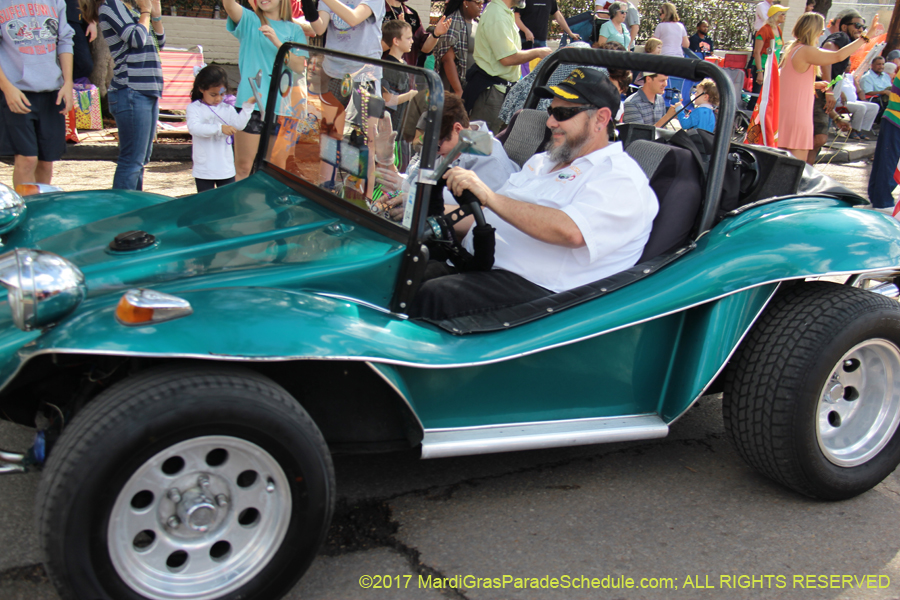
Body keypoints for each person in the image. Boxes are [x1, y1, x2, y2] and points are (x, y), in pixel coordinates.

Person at [408, 68, 658, 320]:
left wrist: (489, 196)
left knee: (433, 295)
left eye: (562, 113)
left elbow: (571, 231)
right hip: (478, 265)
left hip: (544, 296)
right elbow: (486, 215)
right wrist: (417, 212)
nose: (550, 122)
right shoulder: (543, 162)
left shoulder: (620, 178)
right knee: (399, 266)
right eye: (551, 111)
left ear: (601, 119)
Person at [82, 0, 165, 190]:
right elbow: (136, 39)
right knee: (132, 161)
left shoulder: (131, 9)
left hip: (147, 90)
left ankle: (134, 209)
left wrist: (156, 15)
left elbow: (158, 43)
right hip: (131, 90)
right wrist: (145, 11)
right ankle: (122, 213)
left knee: (140, 160)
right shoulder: (111, 6)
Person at [0, 0, 74, 188]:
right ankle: (26, 212)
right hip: (18, 91)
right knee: (27, 159)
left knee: (46, 160)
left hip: (51, 91)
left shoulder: (56, 1)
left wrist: (68, 83)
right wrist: (7, 88)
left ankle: (40, 212)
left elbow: (65, 39)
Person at [778, 12, 866, 161]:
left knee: (782, 163)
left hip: (789, 113)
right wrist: (865, 38)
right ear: (813, 30)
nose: (823, 33)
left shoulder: (793, 49)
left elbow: (787, 81)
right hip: (798, 114)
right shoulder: (805, 50)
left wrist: (812, 84)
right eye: (821, 29)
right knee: (794, 167)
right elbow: (837, 56)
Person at [464, 0, 551, 135]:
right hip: (491, 94)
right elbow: (507, 58)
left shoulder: (504, 12)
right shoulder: (496, 15)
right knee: (479, 147)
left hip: (501, 90)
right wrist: (539, 52)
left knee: (495, 144)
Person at [186, 65, 255, 192]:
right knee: (206, 204)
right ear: (201, 89)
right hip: (204, 170)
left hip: (226, 169)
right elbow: (194, 128)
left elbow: (239, 125)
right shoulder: (194, 108)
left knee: (226, 204)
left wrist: (248, 107)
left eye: (222, 94)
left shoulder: (227, 109)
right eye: (213, 94)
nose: (218, 98)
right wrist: (220, 128)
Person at [867, 55, 900, 213]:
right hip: (896, 118)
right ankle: (882, 201)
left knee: (885, 161)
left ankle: (879, 200)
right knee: (888, 162)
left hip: (894, 117)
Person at [433, 0, 481, 98]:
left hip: (471, 85)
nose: (481, 5)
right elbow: (447, 59)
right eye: (477, 2)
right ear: (466, 3)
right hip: (453, 89)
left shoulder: (478, 23)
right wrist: (458, 91)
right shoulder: (452, 21)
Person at [382, 0, 447, 67]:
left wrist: (436, 34)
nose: (411, 41)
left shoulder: (412, 14)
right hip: (384, 71)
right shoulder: (379, 12)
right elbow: (373, 47)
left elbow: (425, 48)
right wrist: (397, 32)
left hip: (408, 72)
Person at [653, 3, 689, 100]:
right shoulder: (681, 26)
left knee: (663, 86)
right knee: (677, 88)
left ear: (666, 13)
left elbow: (653, 42)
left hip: (664, 59)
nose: (660, 16)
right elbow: (686, 44)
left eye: (661, 14)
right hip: (679, 60)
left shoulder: (661, 26)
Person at [514, 0, 580, 50]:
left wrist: (570, 33)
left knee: (542, 66)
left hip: (542, 41)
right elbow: (516, 17)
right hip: (525, 41)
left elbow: (559, 17)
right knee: (526, 67)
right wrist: (526, 31)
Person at [821, 11, 864, 83]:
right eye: (857, 25)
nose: (861, 29)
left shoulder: (846, 43)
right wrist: (828, 90)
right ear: (844, 27)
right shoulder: (842, 36)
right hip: (822, 88)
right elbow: (827, 49)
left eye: (863, 27)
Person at [834, 72, 877, 139]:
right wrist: (840, 93)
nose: (848, 67)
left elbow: (859, 91)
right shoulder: (836, 75)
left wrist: (864, 99)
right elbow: (832, 87)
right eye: (847, 65)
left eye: (849, 65)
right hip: (841, 102)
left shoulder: (850, 76)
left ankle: (861, 130)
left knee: (874, 106)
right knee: (861, 108)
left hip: (853, 101)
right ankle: (853, 130)